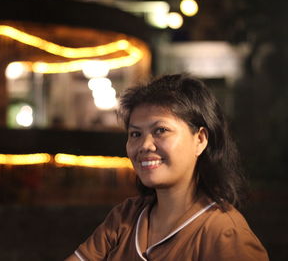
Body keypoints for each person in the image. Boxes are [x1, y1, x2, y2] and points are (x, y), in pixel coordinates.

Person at [65, 74, 269, 261]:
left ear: (200, 139)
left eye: (160, 130)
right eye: (135, 134)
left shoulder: (224, 233)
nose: (144, 145)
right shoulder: (126, 218)